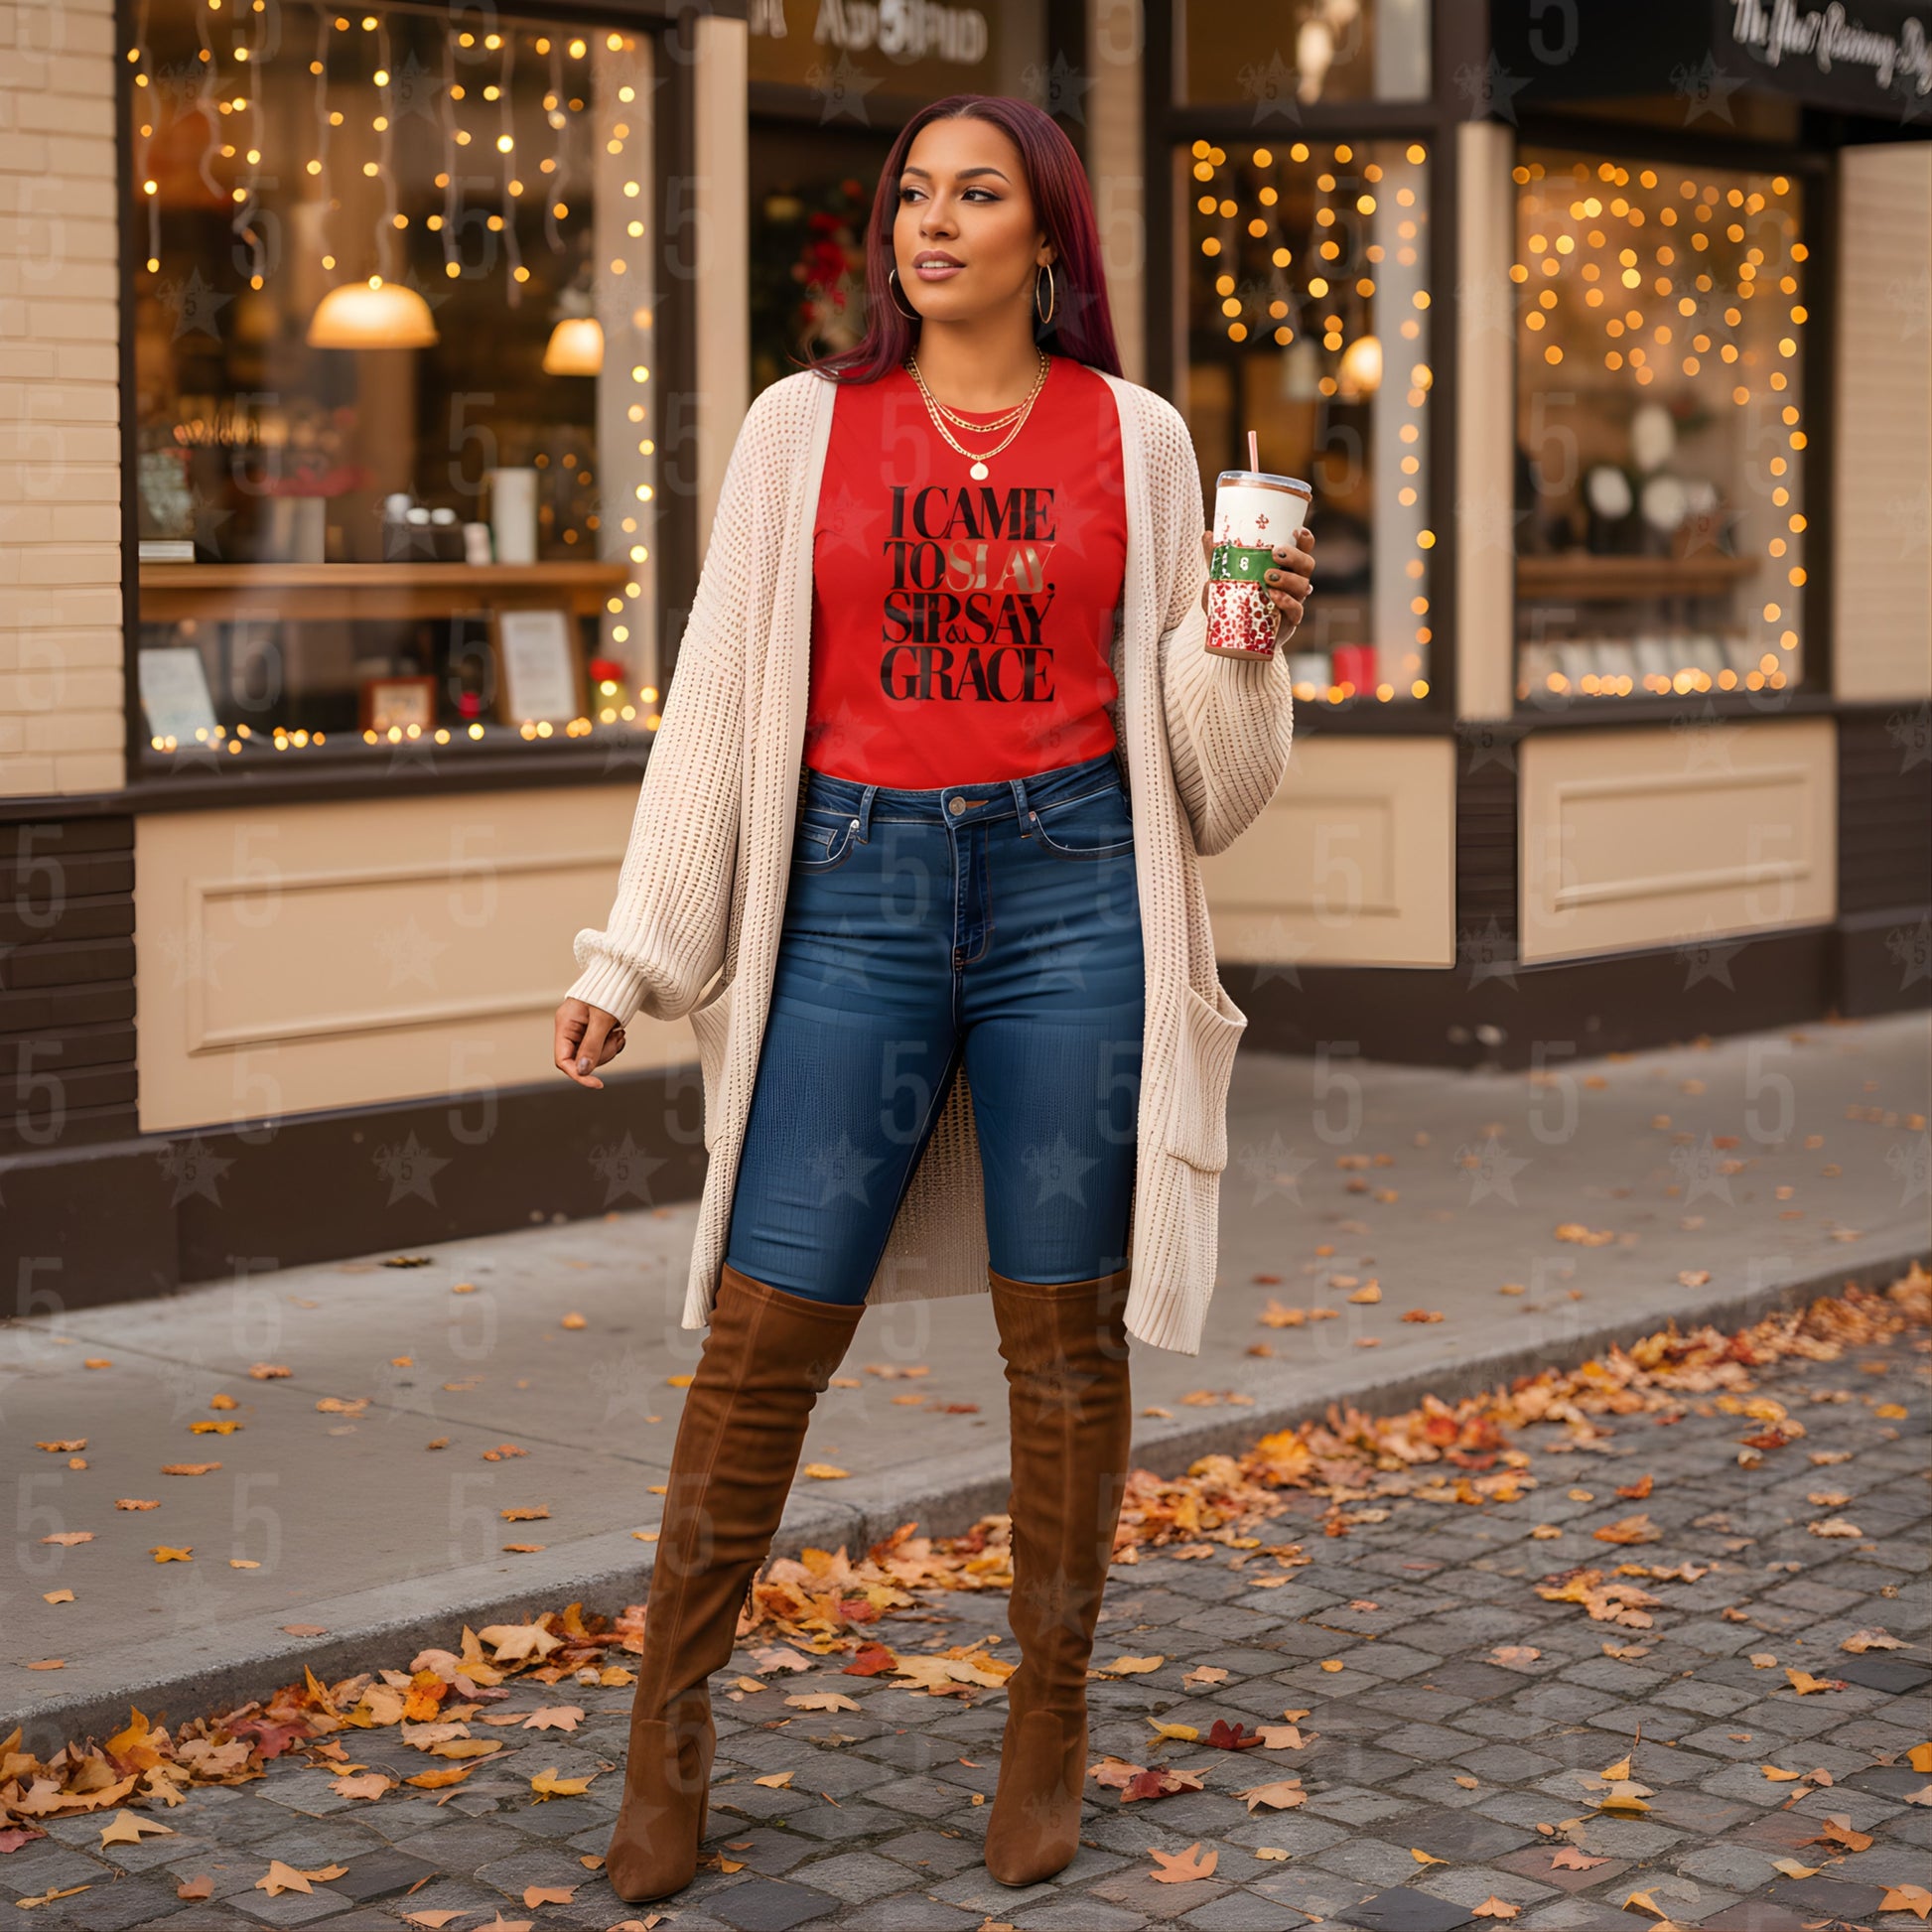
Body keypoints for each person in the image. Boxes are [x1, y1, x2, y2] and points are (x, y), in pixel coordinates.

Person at [551, 93, 1315, 1905]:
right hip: (853, 894)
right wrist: (632, 952)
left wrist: (1245, 640)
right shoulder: (800, 427)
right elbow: (717, 703)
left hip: (1071, 895)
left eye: (978, 195)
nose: (934, 221)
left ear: (1048, 234)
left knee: (1063, 1340)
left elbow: (1207, 791)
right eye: (912, 194)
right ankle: (667, 1737)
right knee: (764, 1329)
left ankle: (1044, 1722)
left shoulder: (1133, 440)